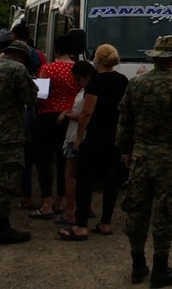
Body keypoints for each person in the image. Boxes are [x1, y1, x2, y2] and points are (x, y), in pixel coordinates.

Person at [118, 35, 172, 287]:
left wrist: (126, 150)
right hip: (168, 161)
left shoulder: (136, 84)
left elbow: (125, 121)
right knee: (164, 215)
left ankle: (138, 264)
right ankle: (160, 269)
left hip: (141, 157)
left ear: (155, 57)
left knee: (138, 211)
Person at [0, 40, 39, 246]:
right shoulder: (18, 70)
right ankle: (2, 229)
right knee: (3, 182)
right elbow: (31, 98)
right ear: (21, 57)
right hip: (9, 136)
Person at [63, 43, 128, 240]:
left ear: (97, 59)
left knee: (85, 179)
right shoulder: (123, 80)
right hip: (115, 135)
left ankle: (81, 225)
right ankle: (105, 223)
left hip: (96, 135)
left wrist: (79, 136)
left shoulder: (96, 82)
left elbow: (87, 111)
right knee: (111, 179)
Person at [30, 35, 78, 221]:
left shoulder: (47, 69)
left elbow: (40, 96)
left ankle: (46, 203)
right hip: (68, 117)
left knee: (44, 160)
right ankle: (60, 200)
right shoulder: (77, 69)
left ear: (55, 49)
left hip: (46, 117)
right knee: (64, 161)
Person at [56, 60, 93, 227]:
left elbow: (86, 115)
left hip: (76, 136)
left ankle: (70, 211)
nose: (76, 83)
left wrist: (67, 115)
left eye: (78, 79)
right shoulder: (86, 90)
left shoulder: (88, 93)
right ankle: (86, 207)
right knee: (83, 176)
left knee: (70, 175)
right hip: (77, 135)